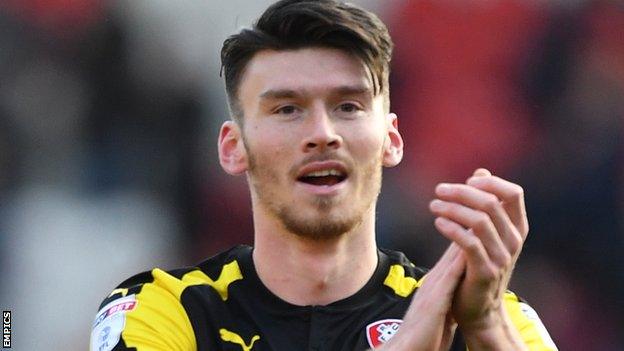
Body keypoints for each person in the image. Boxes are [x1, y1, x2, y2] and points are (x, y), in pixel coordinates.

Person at [90, 0, 558, 350]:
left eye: (348, 107)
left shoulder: (487, 319)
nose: (322, 133)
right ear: (235, 148)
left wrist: (487, 325)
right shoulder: (165, 308)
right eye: (288, 109)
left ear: (392, 139)